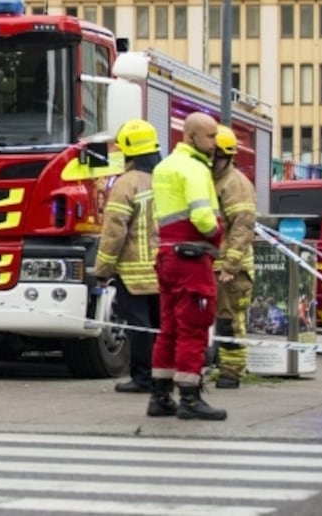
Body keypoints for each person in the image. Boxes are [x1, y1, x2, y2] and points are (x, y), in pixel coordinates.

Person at [147, 111, 226, 421]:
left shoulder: (164, 167)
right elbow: (203, 217)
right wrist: (217, 234)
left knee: (168, 328)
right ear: (191, 136)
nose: (215, 143)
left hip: (167, 257)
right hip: (192, 259)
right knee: (194, 327)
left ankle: (160, 396)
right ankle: (190, 400)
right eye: (210, 136)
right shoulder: (194, 169)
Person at [94, 119, 162, 394]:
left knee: (139, 327)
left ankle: (142, 378)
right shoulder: (163, 180)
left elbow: (114, 230)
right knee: (160, 327)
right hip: (163, 269)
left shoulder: (126, 184)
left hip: (134, 272)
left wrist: (103, 268)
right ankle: (162, 376)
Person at [210, 125, 257, 389]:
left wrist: (230, 264)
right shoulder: (213, 179)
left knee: (231, 320)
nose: (212, 161)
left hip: (232, 268)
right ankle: (224, 366)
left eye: (216, 156)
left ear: (227, 156)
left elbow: (242, 226)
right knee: (220, 318)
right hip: (215, 262)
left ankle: (232, 371)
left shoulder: (235, 183)